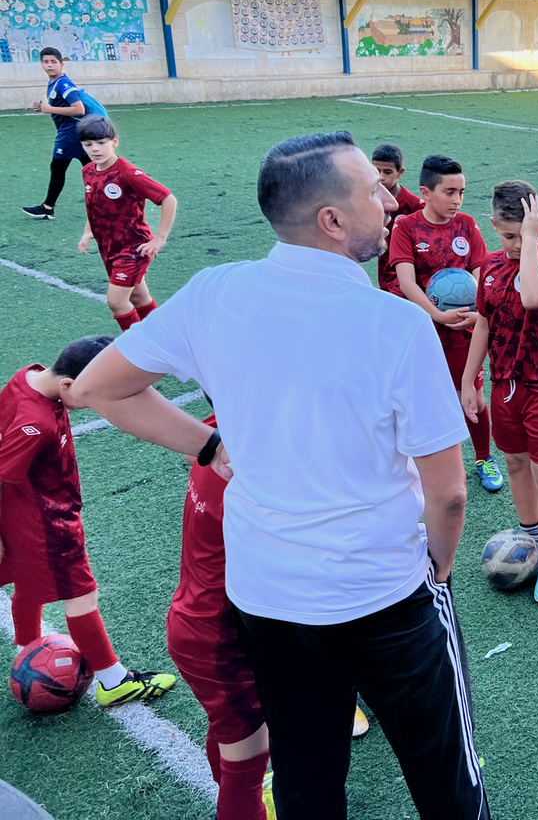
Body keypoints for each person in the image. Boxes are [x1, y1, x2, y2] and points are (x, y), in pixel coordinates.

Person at [70, 132, 489, 820]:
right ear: (331, 220)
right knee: (447, 781)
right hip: (385, 592)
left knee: (305, 780)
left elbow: (98, 388)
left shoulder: (214, 293)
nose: (389, 200)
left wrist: (207, 447)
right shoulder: (397, 325)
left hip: (270, 599)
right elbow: (448, 491)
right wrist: (438, 568)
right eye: (372, 191)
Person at [0, 335, 176, 708]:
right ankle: (113, 681)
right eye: (93, 394)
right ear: (67, 385)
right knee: (81, 595)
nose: (97, 402)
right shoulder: (38, 423)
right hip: (46, 525)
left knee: (28, 585)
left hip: (24, 514)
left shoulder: (26, 377)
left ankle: (27, 649)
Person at [461, 180, 538, 605]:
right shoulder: (488, 267)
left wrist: (529, 241)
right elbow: (484, 325)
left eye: (521, 233)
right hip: (504, 382)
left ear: (537, 226)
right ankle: (528, 536)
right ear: (493, 225)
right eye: (506, 234)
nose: (511, 243)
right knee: (514, 462)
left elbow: (532, 297)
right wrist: (468, 381)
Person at [167, 404, 272, 820]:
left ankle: (226, 793)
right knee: (249, 752)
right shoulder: (249, 485)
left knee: (230, 733)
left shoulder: (214, 436)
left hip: (195, 620)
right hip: (217, 639)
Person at [388, 155, 502, 492]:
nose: (457, 200)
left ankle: (483, 457)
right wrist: (436, 315)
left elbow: (482, 273)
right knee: (419, 400)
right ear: (425, 192)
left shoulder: (467, 224)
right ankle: (422, 465)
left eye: (461, 192)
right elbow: (407, 282)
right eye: (449, 192)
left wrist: (478, 312)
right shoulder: (406, 226)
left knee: (473, 397)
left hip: (465, 329)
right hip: (421, 330)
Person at [75, 115, 178, 332]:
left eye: (102, 143)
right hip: (109, 248)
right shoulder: (88, 171)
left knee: (116, 301)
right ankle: (166, 337)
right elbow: (94, 206)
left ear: (114, 141)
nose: (95, 149)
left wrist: (160, 238)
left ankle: (138, 354)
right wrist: (88, 231)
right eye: (88, 145)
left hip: (132, 248)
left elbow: (168, 199)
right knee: (139, 297)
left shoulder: (127, 173)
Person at [22, 46, 93, 220]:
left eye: (53, 62)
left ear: (61, 64)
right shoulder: (54, 82)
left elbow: (79, 109)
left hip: (70, 134)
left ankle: (47, 208)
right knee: (93, 168)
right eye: (46, 62)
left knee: (58, 168)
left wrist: (48, 109)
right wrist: (43, 108)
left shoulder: (64, 83)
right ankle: (117, 198)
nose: (49, 65)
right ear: (41, 64)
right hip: (75, 132)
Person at [371, 143, 424, 292]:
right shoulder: (367, 201)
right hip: (384, 275)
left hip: (409, 280)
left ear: (400, 173)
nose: (381, 177)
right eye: (377, 170)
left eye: (387, 172)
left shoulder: (415, 207)